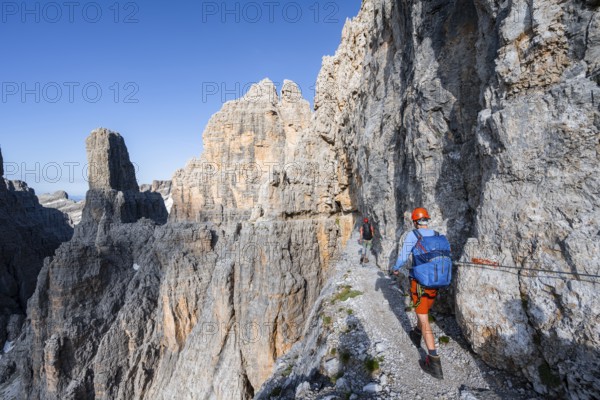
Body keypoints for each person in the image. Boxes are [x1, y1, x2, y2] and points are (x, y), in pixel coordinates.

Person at [392, 207, 444, 379]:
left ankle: (433, 361)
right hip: (435, 282)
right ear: (426, 220)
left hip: (420, 283)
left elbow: (403, 256)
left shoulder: (414, 236)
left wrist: (395, 268)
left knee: (423, 317)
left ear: (415, 222)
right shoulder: (437, 234)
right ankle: (416, 334)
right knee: (424, 311)